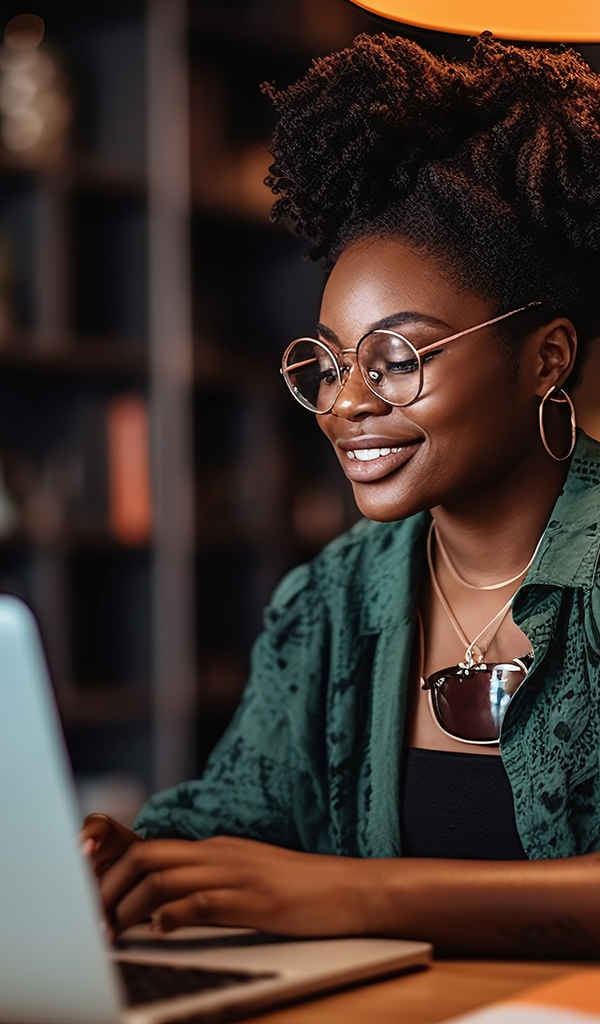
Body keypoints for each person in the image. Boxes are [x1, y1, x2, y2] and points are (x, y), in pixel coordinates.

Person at [82, 32, 600, 957]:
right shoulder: (332, 598)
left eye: (397, 357)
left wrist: (359, 896)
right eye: (329, 363)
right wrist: (135, 860)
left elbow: (321, 890)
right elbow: (238, 819)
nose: (346, 403)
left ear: (546, 358)